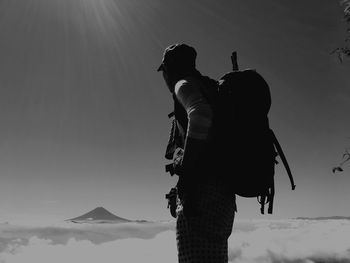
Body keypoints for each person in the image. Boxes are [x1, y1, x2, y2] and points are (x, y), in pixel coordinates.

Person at [158, 43, 236, 263]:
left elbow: (200, 114)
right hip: (222, 195)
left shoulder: (183, 84)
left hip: (201, 195)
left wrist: (188, 176)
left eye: (163, 71)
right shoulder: (210, 88)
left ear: (168, 69)